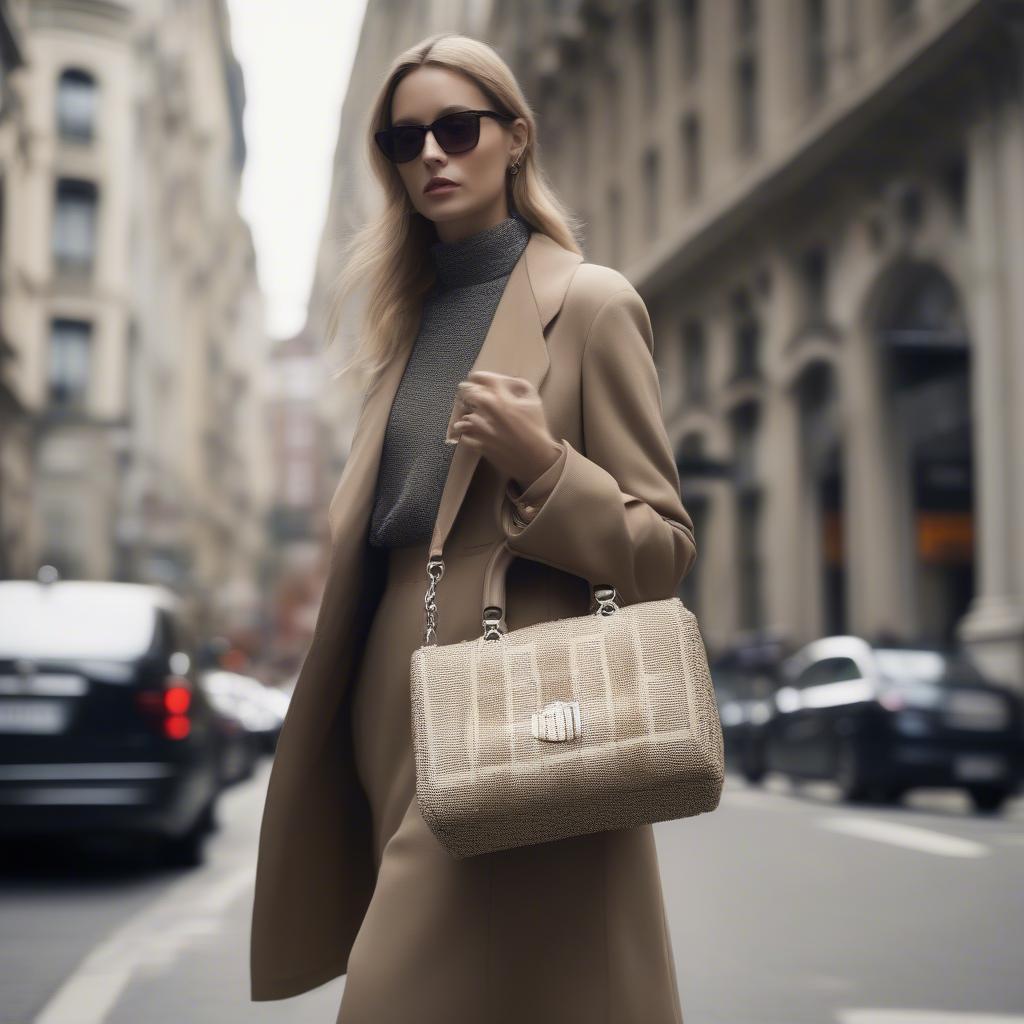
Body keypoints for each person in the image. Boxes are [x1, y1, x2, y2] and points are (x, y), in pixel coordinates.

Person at [250, 32, 699, 1024]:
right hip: (388, 703)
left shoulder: (588, 305)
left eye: (457, 128)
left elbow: (662, 548)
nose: (431, 157)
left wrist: (542, 465)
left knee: (399, 995)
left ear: (516, 140)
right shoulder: (398, 332)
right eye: (403, 141)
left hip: (523, 699)